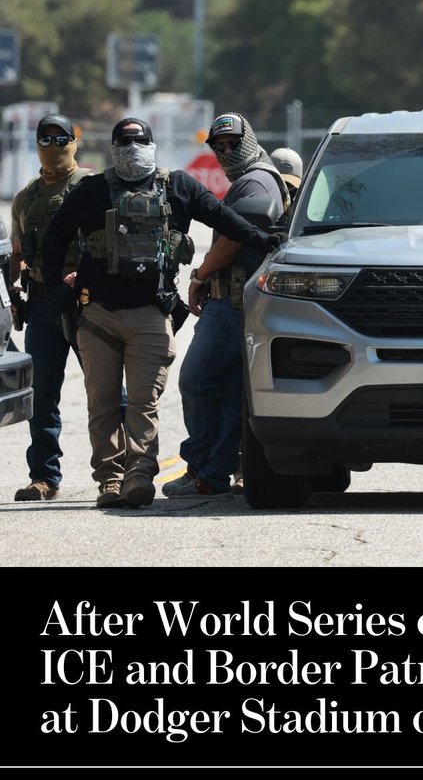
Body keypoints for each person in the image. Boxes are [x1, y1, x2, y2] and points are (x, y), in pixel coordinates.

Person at [41, 116, 285, 509]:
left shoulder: (179, 186)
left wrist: (264, 239)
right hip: (97, 315)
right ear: (113, 148)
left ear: (152, 145)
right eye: (124, 143)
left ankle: (139, 475)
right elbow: (54, 238)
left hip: (151, 316)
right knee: (102, 403)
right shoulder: (91, 190)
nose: (131, 149)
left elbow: (225, 220)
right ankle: (110, 481)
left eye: (138, 142)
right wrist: (56, 291)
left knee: (143, 402)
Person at [162, 112, 288, 499]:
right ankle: (215, 472)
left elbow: (234, 238)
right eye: (218, 146)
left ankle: (202, 465)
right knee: (228, 390)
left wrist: (199, 276)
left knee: (195, 379)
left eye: (233, 143)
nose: (226, 151)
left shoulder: (256, 180)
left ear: (248, 140)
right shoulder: (251, 178)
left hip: (232, 303)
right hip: (236, 300)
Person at [9, 114, 93, 502]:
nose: (55, 146)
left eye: (62, 139)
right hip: (42, 303)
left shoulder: (90, 186)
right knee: (41, 394)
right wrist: (13, 287)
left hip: (87, 302)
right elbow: (17, 252)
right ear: (37, 143)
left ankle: (126, 469)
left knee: (107, 390)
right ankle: (44, 476)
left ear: (74, 142)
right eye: (47, 138)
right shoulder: (26, 197)